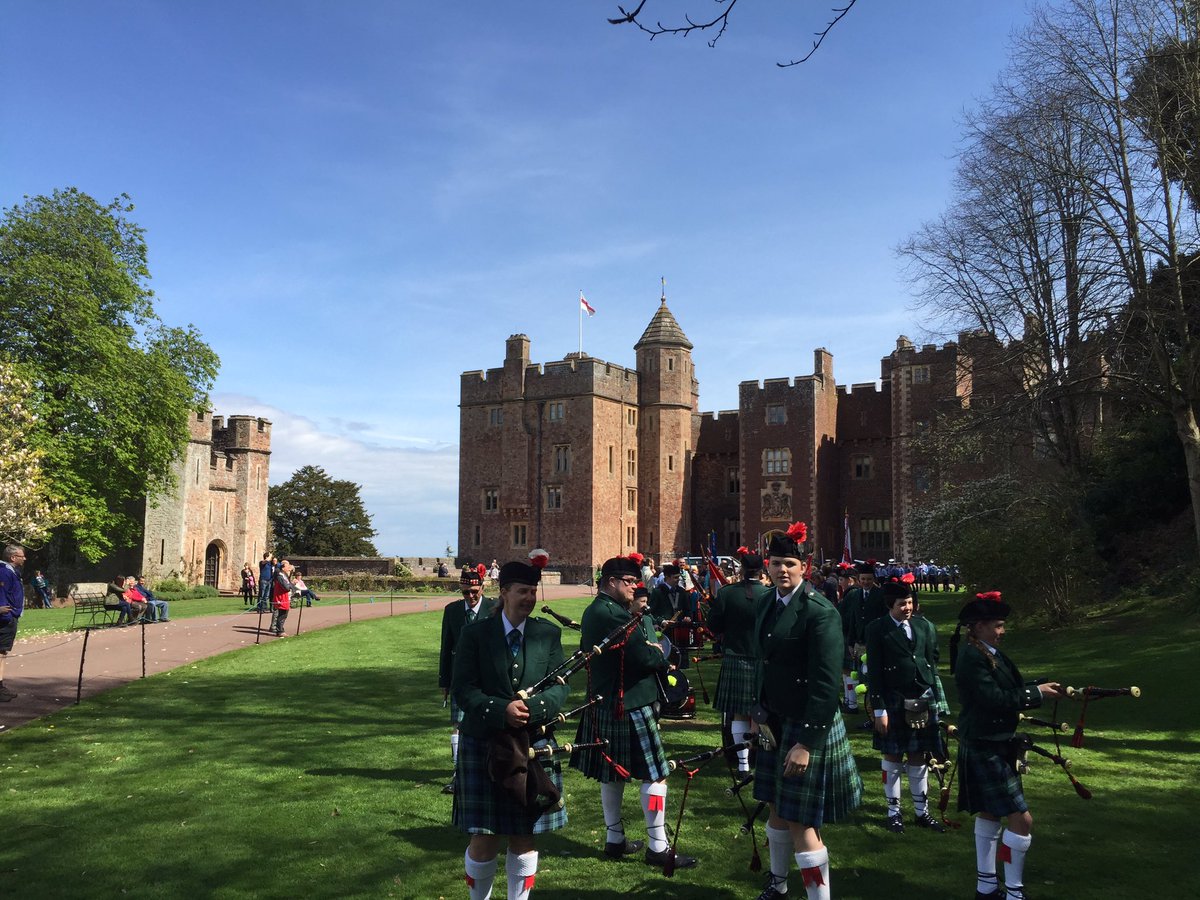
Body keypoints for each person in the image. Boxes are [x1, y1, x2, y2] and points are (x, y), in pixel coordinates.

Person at [752, 523, 862, 900]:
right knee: (776, 808)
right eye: (776, 563)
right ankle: (778, 884)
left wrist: (806, 743)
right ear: (767, 566)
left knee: (801, 820)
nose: (782, 570)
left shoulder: (819, 612)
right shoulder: (767, 602)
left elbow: (827, 683)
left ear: (804, 569)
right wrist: (758, 711)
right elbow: (762, 662)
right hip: (774, 719)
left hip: (804, 724)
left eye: (790, 564)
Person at [451, 557, 567, 900]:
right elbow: (463, 688)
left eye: (533, 591)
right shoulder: (475, 635)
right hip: (484, 741)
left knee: (524, 834)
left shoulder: (547, 633)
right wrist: (501, 709)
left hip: (532, 743)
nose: (529, 598)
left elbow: (561, 685)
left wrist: (534, 709)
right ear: (504, 593)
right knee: (484, 837)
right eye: (522, 591)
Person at [570, 555, 696, 870]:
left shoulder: (604, 610)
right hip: (628, 703)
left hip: (610, 702)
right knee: (656, 775)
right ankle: (658, 847)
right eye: (628, 583)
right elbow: (643, 656)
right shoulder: (610, 613)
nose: (633, 588)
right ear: (611, 582)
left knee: (612, 776)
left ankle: (615, 840)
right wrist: (660, 657)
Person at [952, 592, 1065, 900]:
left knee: (989, 814)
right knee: (1021, 819)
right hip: (985, 743)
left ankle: (986, 888)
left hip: (993, 742)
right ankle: (1014, 894)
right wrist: (1036, 694)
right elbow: (994, 700)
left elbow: (1008, 688)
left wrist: (1039, 687)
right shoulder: (972, 657)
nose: (1002, 631)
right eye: (997, 626)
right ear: (977, 627)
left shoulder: (987, 651)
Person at [864, 577, 947, 834]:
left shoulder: (923, 626)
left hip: (921, 695)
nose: (908, 607)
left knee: (919, 755)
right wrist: (879, 709)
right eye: (902, 604)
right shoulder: (877, 629)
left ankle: (922, 812)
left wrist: (932, 689)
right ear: (891, 605)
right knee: (892, 756)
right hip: (893, 698)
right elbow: (875, 672)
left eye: (910, 602)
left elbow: (931, 657)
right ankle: (893, 812)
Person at [707, 547, 771, 776]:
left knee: (739, 713)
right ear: (762, 570)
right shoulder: (771, 594)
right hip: (765, 660)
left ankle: (743, 764)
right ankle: (763, 760)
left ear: (742, 569)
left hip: (736, 657)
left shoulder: (727, 593)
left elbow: (713, 625)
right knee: (763, 712)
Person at [439, 567, 497, 794]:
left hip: (489, 678)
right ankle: (458, 773)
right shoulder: (452, 611)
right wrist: (444, 681)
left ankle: (491, 769)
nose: (470, 596)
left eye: (474, 591)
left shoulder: (494, 607)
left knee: (490, 724)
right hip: (461, 678)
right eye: (465, 592)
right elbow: (446, 647)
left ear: (482, 587)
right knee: (458, 726)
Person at [648, 563, 698, 670]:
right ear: (667, 577)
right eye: (675, 577)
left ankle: (683, 683)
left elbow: (688, 610)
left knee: (681, 661)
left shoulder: (682, 591)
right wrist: (661, 621)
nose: (677, 580)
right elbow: (651, 612)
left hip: (680, 630)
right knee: (668, 659)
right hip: (665, 631)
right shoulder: (658, 592)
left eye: (678, 577)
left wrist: (688, 617)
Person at [0, 544, 28, 701]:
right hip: (6, 618)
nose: (24, 558)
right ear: (13, 558)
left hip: (10, 616)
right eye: (21, 556)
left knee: (3, 652)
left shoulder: (11, 572)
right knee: (1, 652)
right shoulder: (4, 572)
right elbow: (2, 592)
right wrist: (4, 613)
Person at [270, 560, 294, 636]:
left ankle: (280, 629)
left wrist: (291, 585)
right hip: (280, 597)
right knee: (282, 614)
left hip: (284, 596)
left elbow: (288, 584)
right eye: (287, 566)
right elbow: (286, 587)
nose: (288, 568)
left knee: (284, 613)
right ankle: (279, 630)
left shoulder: (284, 575)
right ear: (283, 567)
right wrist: (291, 585)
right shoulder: (280, 575)